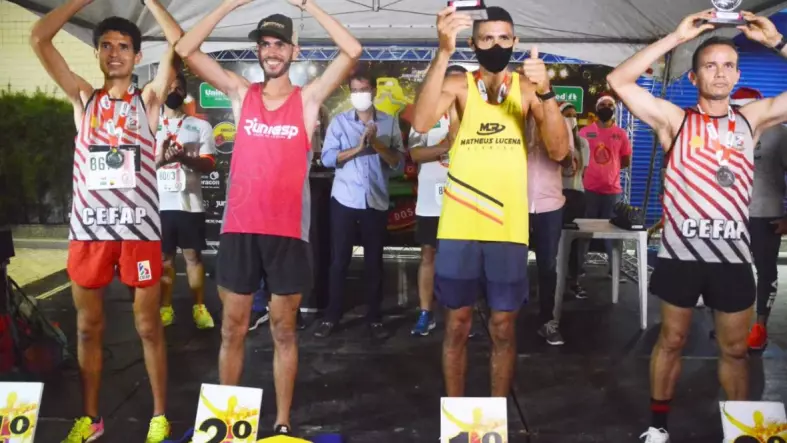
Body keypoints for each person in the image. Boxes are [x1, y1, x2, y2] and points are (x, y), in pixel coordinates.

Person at [149, 0, 362, 434]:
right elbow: (186, 49)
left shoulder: (308, 99)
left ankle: (282, 422)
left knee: (284, 330)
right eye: (265, 44)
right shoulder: (240, 93)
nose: (272, 51)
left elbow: (353, 50)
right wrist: (230, 4)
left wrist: (308, 5)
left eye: (280, 44)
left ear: (293, 51)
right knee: (233, 328)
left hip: (287, 233)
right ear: (259, 51)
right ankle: (227, 423)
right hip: (240, 230)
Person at [607, 9, 787, 442]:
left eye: (728, 65)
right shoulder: (675, 120)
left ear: (738, 74)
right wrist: (676, 37)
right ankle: (658, 427)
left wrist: (778, 44)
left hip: (732, 257)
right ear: (694, 76)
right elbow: (618, 80)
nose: (720, 73)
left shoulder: (751, 119)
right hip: (680, 255)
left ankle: (739, 433)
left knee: (735, 350)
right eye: (709, 65)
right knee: (671, 341)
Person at [30, 1, 175, 441]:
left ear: (137, 55)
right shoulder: (83, 97)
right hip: (90, 231)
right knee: (88, 328)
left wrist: (152, 2)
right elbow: (39, 37)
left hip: (139, 231)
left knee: (148, 326)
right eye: (107, 46)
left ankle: (159, 415)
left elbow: (179, 42)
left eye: (124, 46)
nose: (115, 53)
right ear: (96, 53)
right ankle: (91, 418)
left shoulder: (147, 100)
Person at [412, 6, 568, 397]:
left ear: (515, 41)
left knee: (503, 327)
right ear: (473, 43)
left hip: (507, 227)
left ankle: (495, 414)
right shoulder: (458, 84)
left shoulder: (528, 89)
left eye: (503, 38)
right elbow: (421, 122)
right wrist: (443, 51)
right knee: (457, 324)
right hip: (460, 226)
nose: (496, 45)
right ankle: (457, 415)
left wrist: (547, 91)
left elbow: (559, 150)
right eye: (487, 38)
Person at [315, 70, 405, 340]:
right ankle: (331, 316)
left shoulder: (389, 122)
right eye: (355, 91)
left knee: (374, 263)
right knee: (339, 261)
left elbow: (398, 163)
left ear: (374, 92)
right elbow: (328, 159)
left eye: (364, 90)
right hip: (345, 200)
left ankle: (374, 318)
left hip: (375, 201)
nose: (360, 95)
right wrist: (358, 147)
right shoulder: (339, 122)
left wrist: (376, 144)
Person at [156, 70, 217, 330]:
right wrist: (162, 159)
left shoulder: (200, 126)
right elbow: (139, 166)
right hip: (159, 205)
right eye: (169, 87)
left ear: (185, 92)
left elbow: (209, 164)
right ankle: (165, 308)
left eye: (178, 87)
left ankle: (199, 308)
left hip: (190, 204)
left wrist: (183, 158)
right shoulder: (150, 125)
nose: (173, 91)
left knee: (193, 257)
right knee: (164, 259)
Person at [408, 64, 466, 336]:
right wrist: (446, 146)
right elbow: (415, 154)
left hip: (464, 199)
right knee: (428, 254)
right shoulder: (427, 114)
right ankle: (425, 313)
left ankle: (462, 314)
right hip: (431, 201)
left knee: (463, 258)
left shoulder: (474, 115)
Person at [730, 87, 787, 351]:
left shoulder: (780, 134)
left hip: (766, 215)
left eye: (746, 107)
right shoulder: (728, 134)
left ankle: (760, 326)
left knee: (766, 272)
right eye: (737, 108)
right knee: (731, 271)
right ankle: (732, 323)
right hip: (732, 215)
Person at [526, 107, 575, 346]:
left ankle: (547, 321)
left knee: (547, 265)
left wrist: (556, 148)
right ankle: (505, 319)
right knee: (509, 262)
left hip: (550, 204)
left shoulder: (561, 122)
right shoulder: (513, 118)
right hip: (514, 202)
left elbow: (569, 164)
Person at [578, 94, 632, 278]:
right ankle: (578, 268)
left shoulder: (621, 134)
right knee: (584, 231)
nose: (606, 107)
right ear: (597, 108)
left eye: (610, 105)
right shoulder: (585, 132)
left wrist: (610, 170)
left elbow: (625, 160)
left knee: (614, 232)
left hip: (612, 191)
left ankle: (614, 270)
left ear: (614, 109)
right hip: (589, 189)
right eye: (603, 105)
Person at [560, 102, 591, 299]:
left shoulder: (583, 144)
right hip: (556, 196)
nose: (570, 118)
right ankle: (554, 282)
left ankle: (574, 281)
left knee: (575, 242)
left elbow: (583, 171)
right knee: (555, 241)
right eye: (566, 115)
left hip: (577, 195)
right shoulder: (552, 140)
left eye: (573, 115)